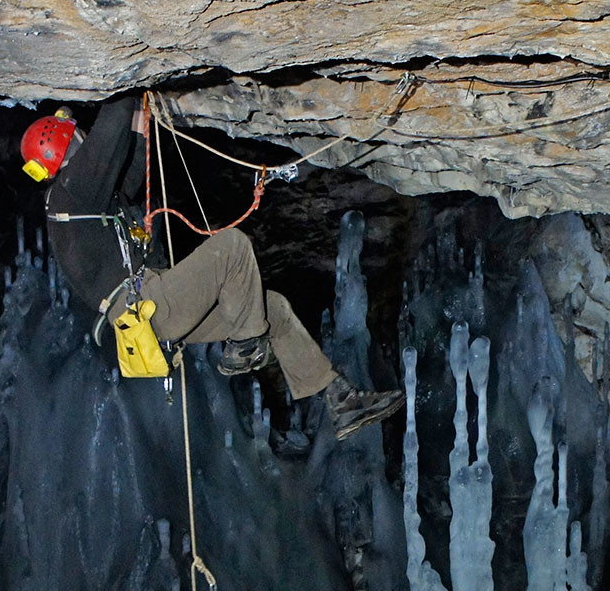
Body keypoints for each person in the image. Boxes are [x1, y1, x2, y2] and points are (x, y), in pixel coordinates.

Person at [22, 105, 402, 441]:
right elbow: (113, 119)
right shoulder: (72, 192)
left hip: (153, 313)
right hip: (147, 306)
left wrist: (141, 123)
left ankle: (341, 401)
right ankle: (245, 346)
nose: (89, 141)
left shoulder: (84, 202)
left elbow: (133, 171)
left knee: (274, 310)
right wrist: (128, 83)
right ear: (68, 145)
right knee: (232, 247)